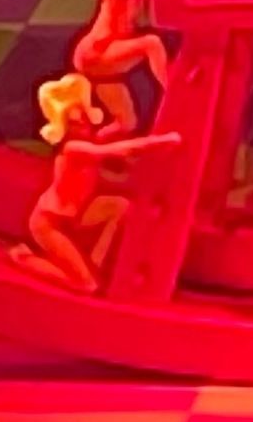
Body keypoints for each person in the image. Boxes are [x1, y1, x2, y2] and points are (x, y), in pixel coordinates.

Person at [13, 79, 181, 292]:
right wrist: (161, 141)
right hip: (49, 223)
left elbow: (123, 127)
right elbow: (120, 150)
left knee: (120, 206)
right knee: (87, 285)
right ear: (63, 127)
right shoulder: (73, 149)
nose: (82, 124)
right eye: (75, 123)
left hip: (76, 218)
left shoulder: (93, 140)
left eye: (83, 118)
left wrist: (114, 91)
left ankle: (96, 261)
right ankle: (25, 259)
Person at [64, 0, 171, 133]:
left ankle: (92, 148)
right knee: (151, 44)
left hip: (101, 59)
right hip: (98, 52)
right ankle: (173, 92)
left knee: (126, 124)